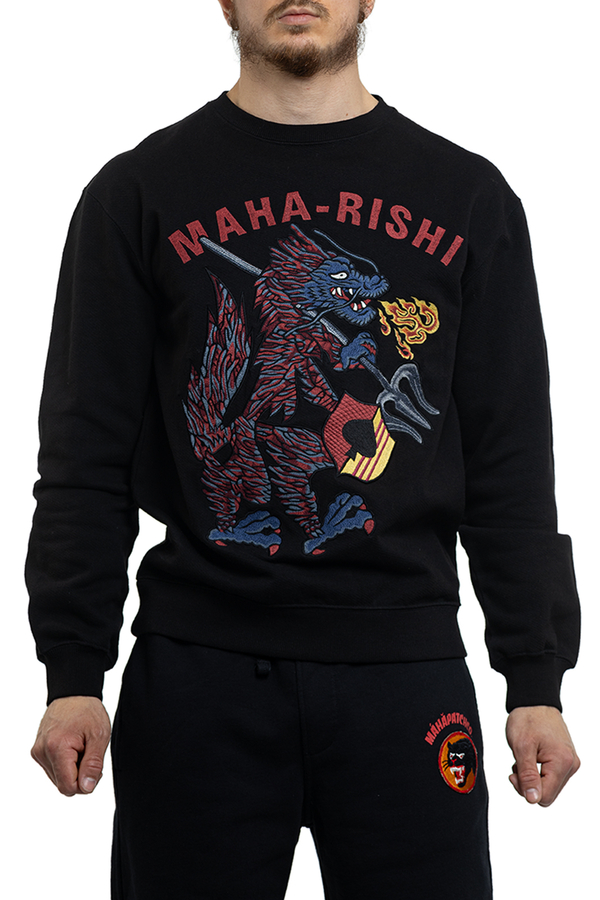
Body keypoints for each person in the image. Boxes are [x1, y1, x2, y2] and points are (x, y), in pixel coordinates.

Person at [27, 1, 581, 897]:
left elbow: (512, 457)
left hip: (405, 672)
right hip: (199, 673)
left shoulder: (468, 196)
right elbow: (83, 455)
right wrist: (72, 670)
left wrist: (536, 679)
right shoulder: (138, 192)